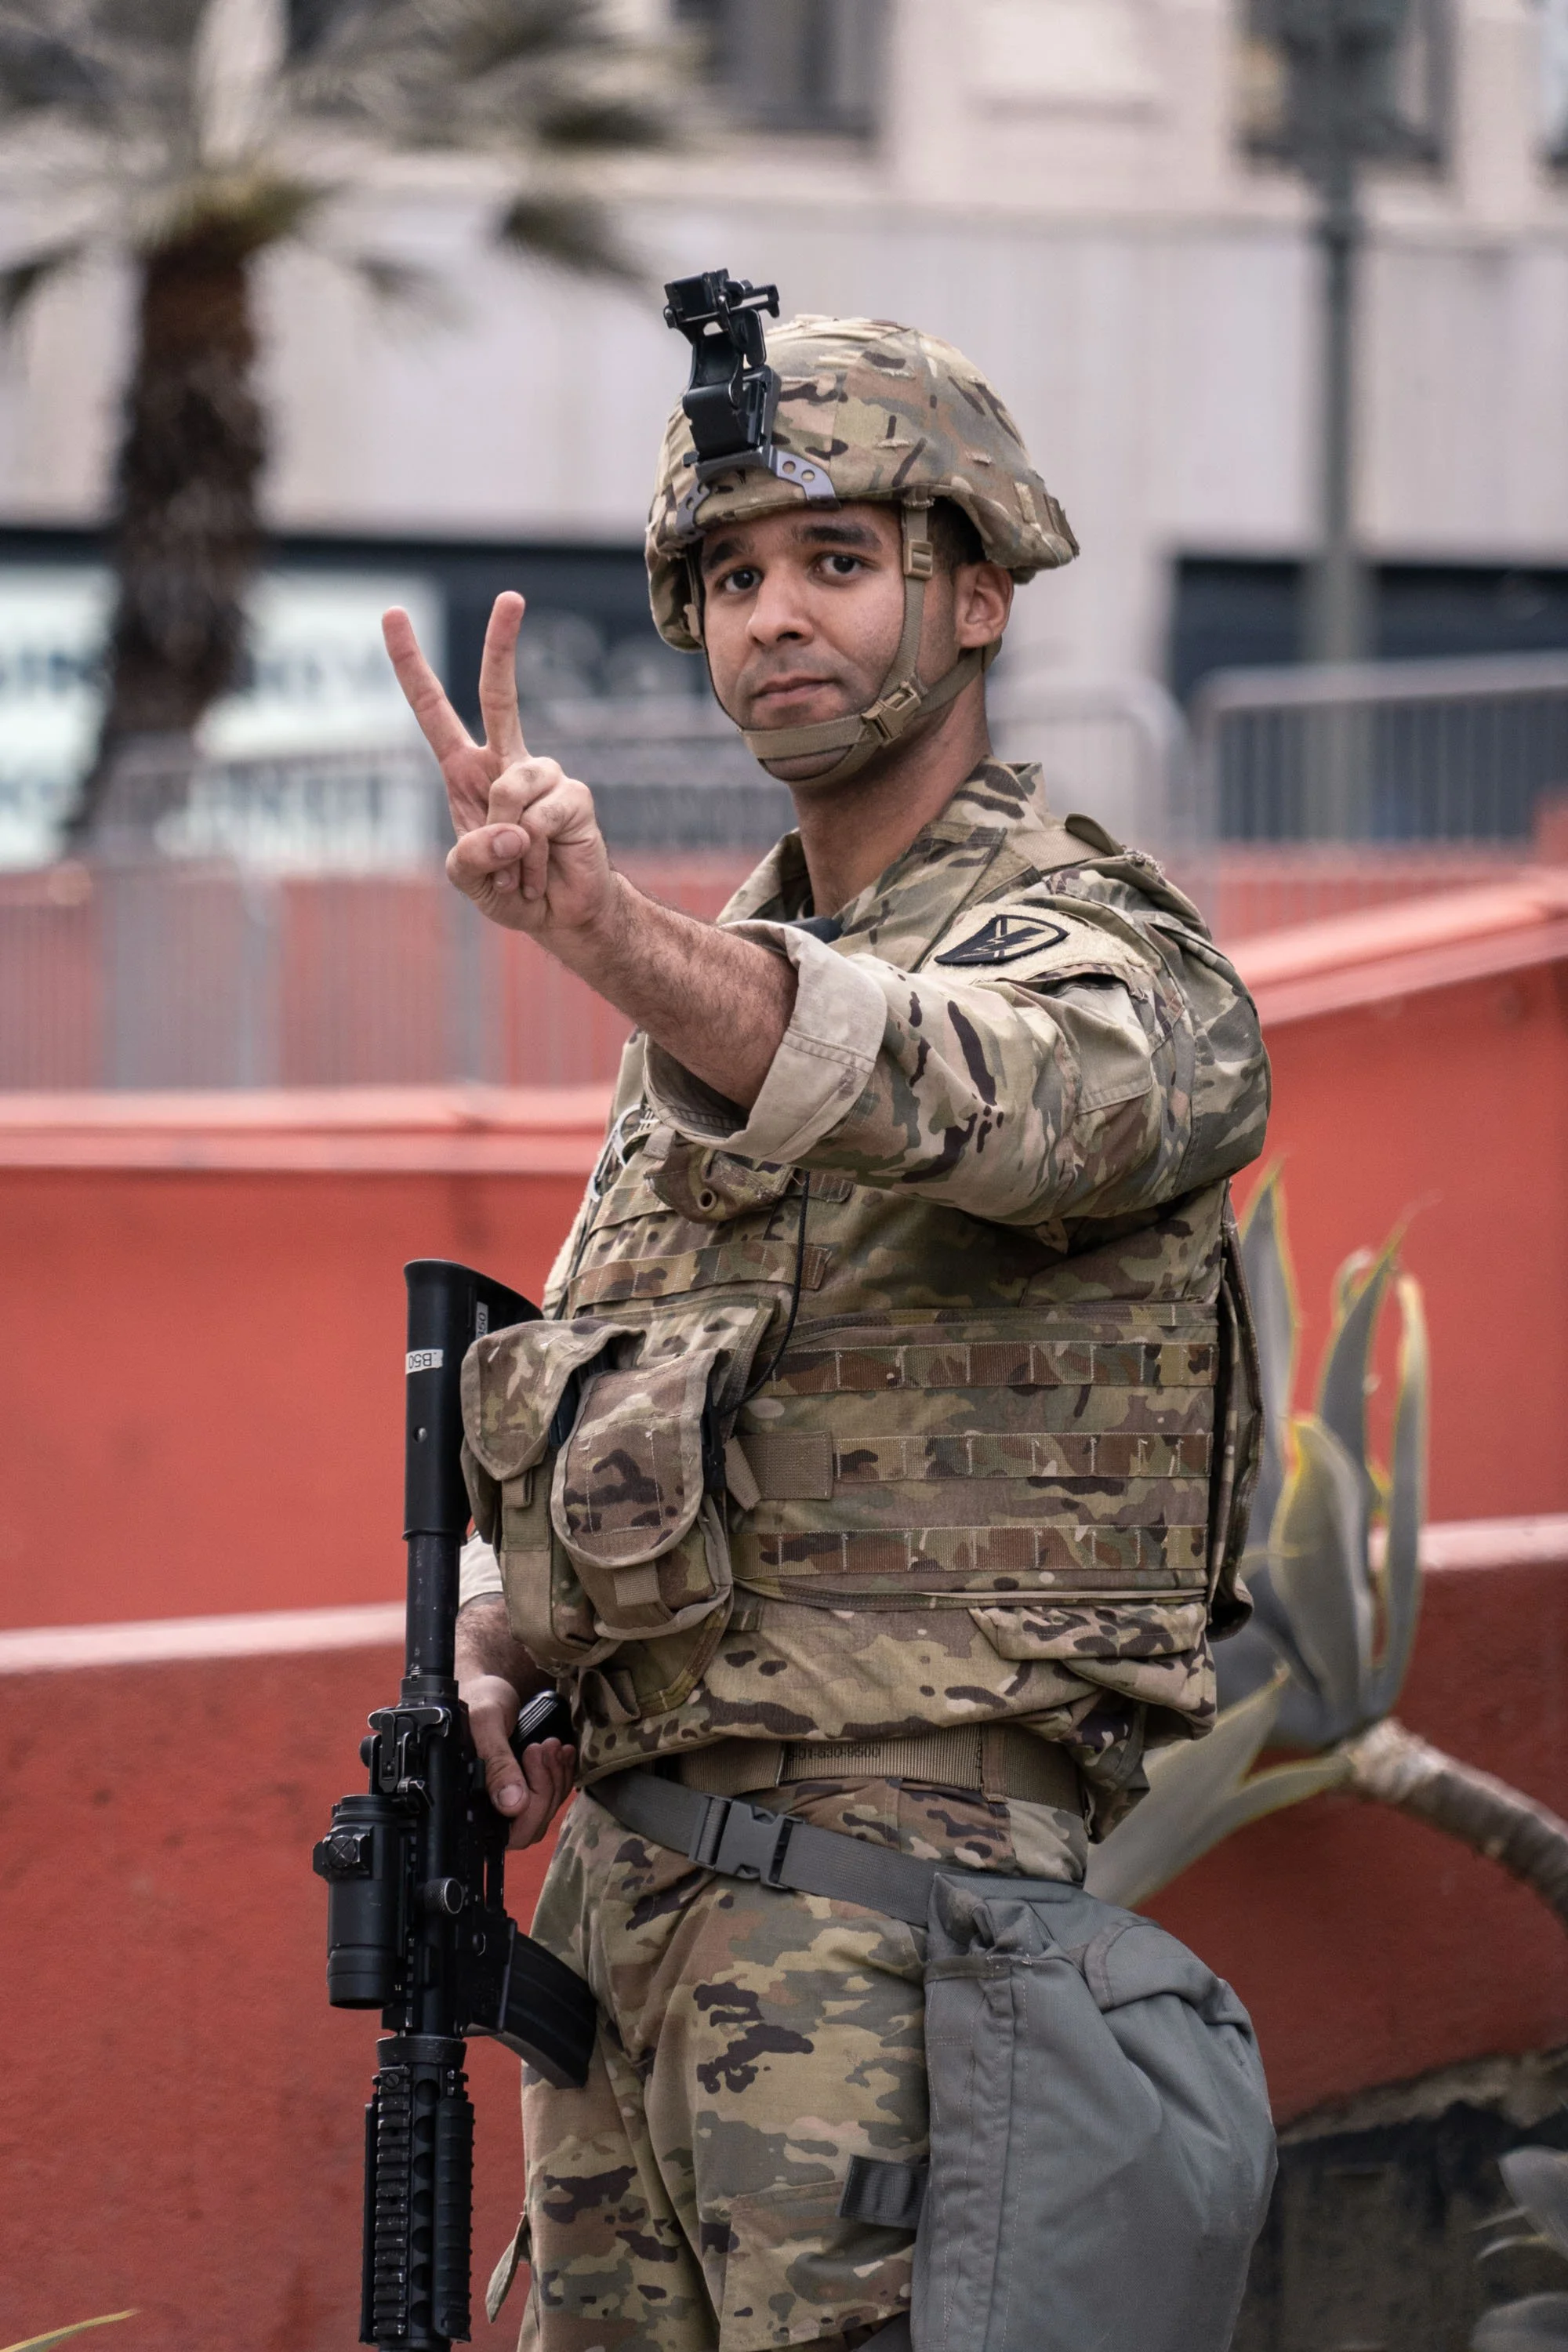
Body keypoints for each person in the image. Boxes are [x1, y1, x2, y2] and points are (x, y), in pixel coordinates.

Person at [383, 308, 1271, 2352]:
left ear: (974, 595)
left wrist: (606, 939)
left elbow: (951, 1088)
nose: (775, 616)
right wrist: (502, 1626)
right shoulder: (715, 1014)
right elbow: (623, 1381)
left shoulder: (1107, 955)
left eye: (838, 564)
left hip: (905, 1946)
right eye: (730, 579)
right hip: (630, 1932)